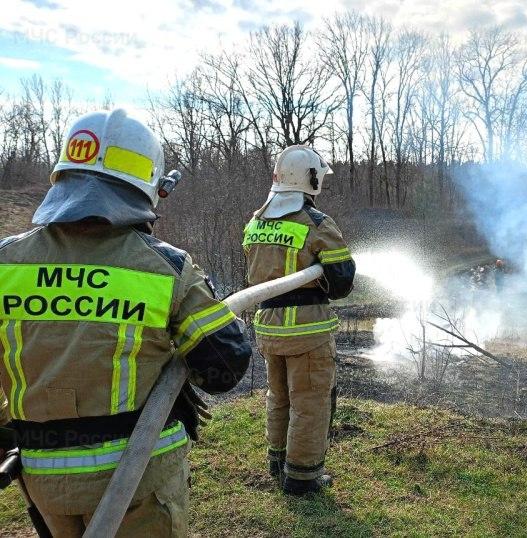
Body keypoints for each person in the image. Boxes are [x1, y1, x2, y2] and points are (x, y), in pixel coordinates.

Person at [0, 109, 251, 536]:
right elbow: (224, 369)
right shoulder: (164, 267)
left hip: (44, 480)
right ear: (148, 189)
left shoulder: (5, 262)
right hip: (138, 481)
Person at [243, 145, 355, 495]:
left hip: (267, 326)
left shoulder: (256, 220)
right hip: (307, 330)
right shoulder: (317, 224)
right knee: (309, 401)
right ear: (311, 179)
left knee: (278, 395)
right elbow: (341, 283)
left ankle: (277, 461)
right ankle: (303, 476)